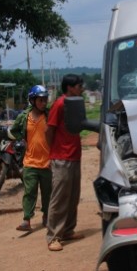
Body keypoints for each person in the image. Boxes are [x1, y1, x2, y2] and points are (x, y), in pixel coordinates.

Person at [45, 74, 85, 251]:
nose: (81, 88)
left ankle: (68, 230)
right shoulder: (60, 104)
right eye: (78, 86)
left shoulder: (76, 104)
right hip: (61, 158)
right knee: (60, 198)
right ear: (70, 87)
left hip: (74, 156)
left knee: (73, 197)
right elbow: (49, 129)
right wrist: (51, 153)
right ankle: (54, 236)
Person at [8, 85, 52, 231]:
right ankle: (26, 220)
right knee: (29, 191)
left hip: (47, 163)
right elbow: (13, 130)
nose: (44, 102)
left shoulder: (49, 116)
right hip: (30, 162)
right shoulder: (24, 117)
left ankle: (46, 216)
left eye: (45, 99)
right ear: (33, 100)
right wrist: (21, 139)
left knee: (47, 192)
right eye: (40, 100)